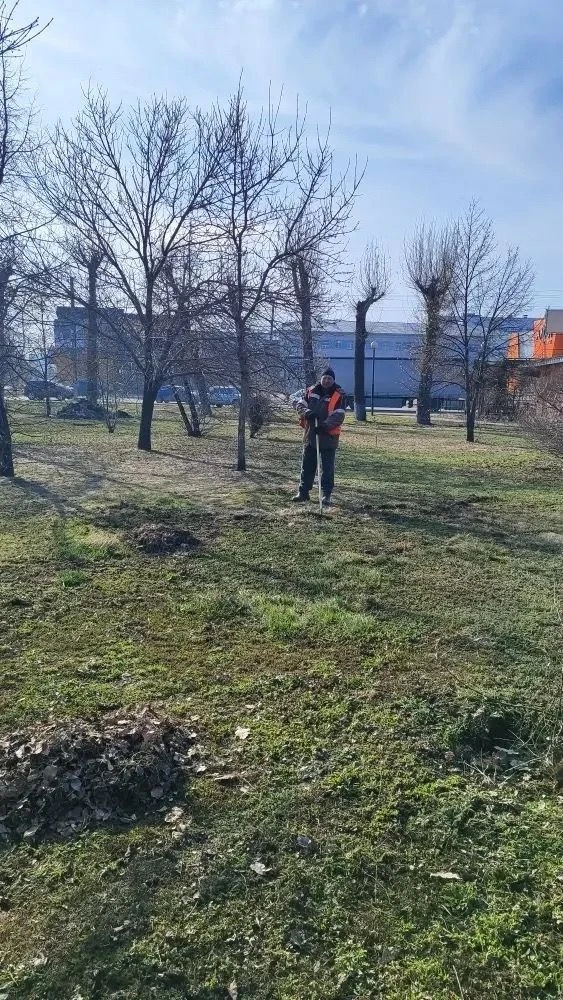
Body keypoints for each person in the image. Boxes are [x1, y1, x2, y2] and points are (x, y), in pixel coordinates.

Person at [292, 368, 347, 507]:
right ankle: (303, 492)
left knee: (327, 469)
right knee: (307, 465)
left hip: (329, 437)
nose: (327, 380)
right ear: (321, 379)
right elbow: (300, 405)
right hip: (310, 435)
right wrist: (307, 413)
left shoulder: (339, 395)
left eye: (329, 378)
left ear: (333, 380)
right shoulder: (311, 391)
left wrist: (324, 426)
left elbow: (339, 415)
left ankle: (326, 495)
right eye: (325, 378)